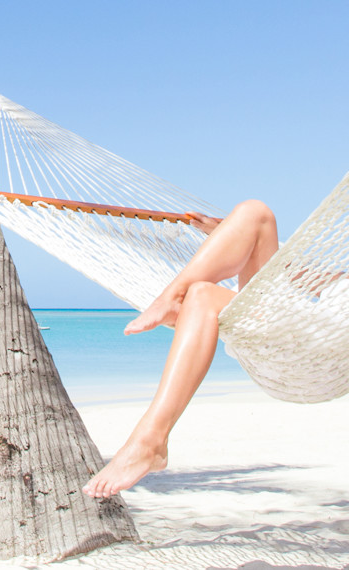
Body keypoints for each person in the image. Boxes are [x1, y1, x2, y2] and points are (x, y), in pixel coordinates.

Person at [82, 199, 279, 499]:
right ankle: (175, 298)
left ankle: (149, 443)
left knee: (257, 214)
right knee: (250, 221)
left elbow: (315, 279)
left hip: (294, 329)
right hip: (271, 313)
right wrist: (229, 233)